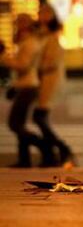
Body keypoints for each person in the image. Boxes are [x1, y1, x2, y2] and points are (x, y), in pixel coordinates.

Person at [0, 13, 55, 167]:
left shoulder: (30, 43)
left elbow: (23, 66)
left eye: (18, 23)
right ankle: (24, 159)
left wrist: (4, 57)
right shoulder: (27, 41)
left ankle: (45, 147)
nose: (16, 26)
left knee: (14, 124)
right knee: (20, 124)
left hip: (28, 87)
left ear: (25, 25)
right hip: (25, 86)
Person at [32, 4, 75, 168]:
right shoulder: (43, 34)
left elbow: (53, 61)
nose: (40, 17)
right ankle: (50, 154)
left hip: (49, 80)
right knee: (40, 117)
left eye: (44, 14)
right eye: (39, 13)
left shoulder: (54, 35)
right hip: (43, 79)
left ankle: (61, 148)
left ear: (51, 15)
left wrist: (36, 67)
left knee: (39, 116)